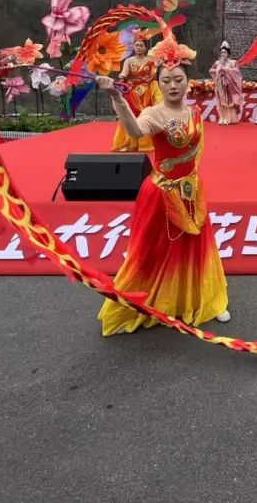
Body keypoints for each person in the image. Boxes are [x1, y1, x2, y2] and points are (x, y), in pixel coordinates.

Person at [95, 34, 231, 334]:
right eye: (166, 80)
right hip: (161, 194)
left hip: (191, 191)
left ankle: (207, 299)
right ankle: (141, 301)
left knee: (197, 249)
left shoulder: (194, 112)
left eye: (178, 79)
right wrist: (117, 98)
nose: (173, 85)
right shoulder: (153, 114)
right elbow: (134, 130)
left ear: (187, 81)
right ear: (158, 82)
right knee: (153, 251)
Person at [111, 31, 161, 152]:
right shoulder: (129, 61)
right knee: (129, 116)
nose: (139, 48)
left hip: (146, 93)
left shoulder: (151, 60)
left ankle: (145, 144)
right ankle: (129, 143)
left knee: (145, 116)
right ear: (133, 47)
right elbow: (124, 74)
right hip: (132, 92)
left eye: (141, 45)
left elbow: (153, 75)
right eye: (137, 45)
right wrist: (119, 79)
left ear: (145, 47)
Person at [209, 41, 244, 125]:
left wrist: (226, 70)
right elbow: (211, 71)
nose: (223, 54)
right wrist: (218, 71)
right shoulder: (217, 63)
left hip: (229, 85)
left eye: (225, 52)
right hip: (220, 84)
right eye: (222, 52)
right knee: (221, 102)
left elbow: (237, 72)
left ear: (228, 53)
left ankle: (229, 119)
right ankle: (222, 118)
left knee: (229, 101)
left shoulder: (232, 62)